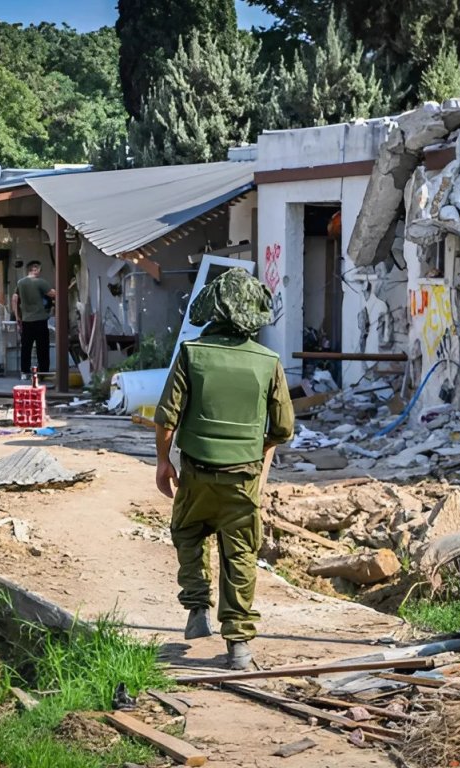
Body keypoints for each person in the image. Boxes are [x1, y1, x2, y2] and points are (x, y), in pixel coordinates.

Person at [154, 268, 294, 670]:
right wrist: (257, 450)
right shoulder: (268, 362)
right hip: (243, 477)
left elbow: (167, 417)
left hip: (196, 472)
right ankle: (239, 648)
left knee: (188, 532)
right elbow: (283, 427)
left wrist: (164, 462)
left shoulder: (192, 353)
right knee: (241, 554)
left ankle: (197, 608)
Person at [12, 261, 57, 381]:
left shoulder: (20, 283)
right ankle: (43, 373)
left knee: (26, 347)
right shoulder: (40, 282)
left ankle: (24, 372)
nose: (40, 272)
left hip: (26, 320)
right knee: (42, 348)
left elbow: (15, 299)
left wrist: (17, 317)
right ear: (35, 269)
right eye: (39, 270)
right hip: (40, 319)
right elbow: (53, 294)